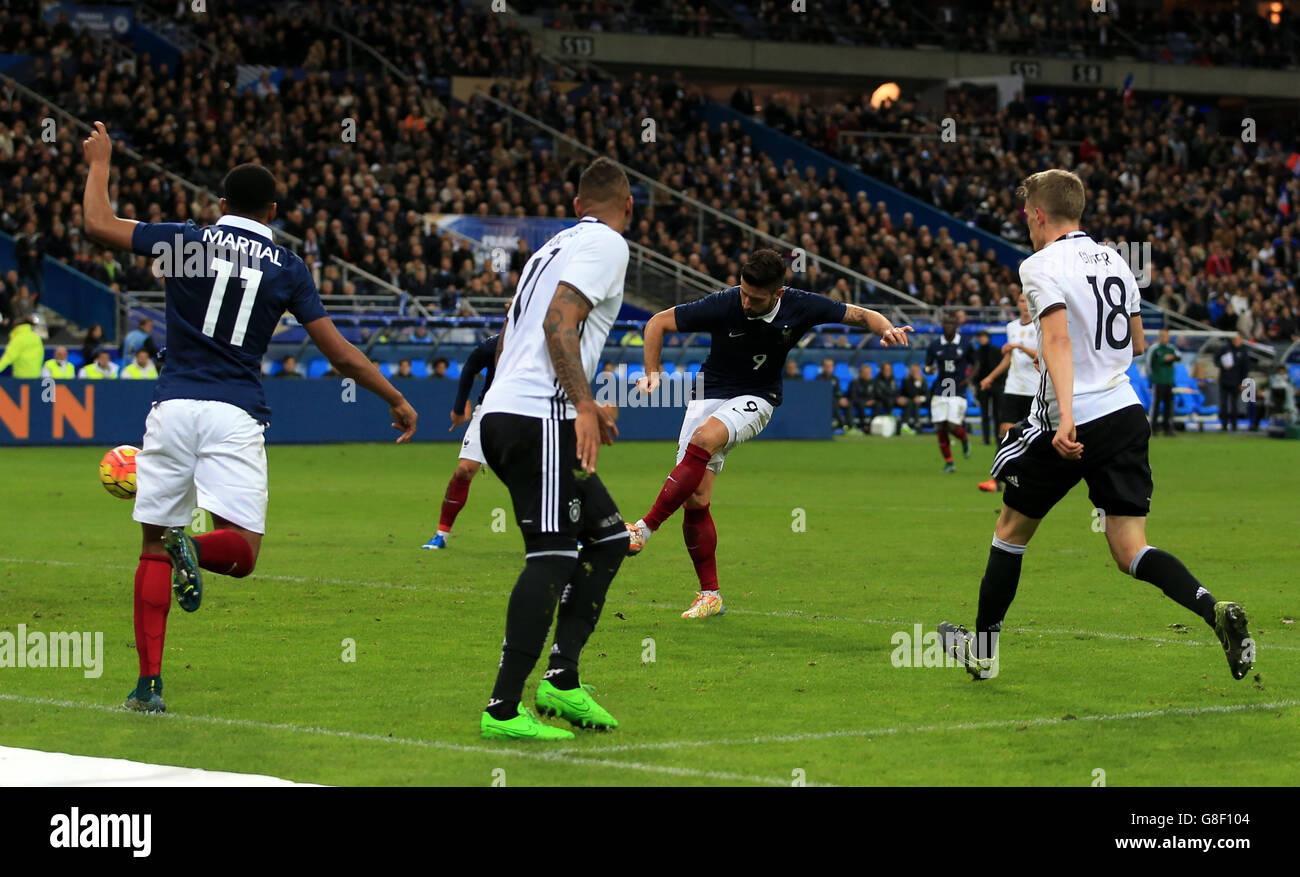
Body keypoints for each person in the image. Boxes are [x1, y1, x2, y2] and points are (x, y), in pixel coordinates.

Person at [81, 122, 417, 713]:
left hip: (174, 405)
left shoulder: (185, 241)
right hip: (236, 411)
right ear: (272, 211)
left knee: (151, 547)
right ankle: (196, 548)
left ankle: (148, 686)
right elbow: (339, 354)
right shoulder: (287, 267)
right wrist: (394, 397)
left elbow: (99, 225)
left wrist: (101, 163)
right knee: (242, 550)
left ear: (221, 206)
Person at [939, 169, 1251, 684]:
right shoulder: (1116, 261)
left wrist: (1063, 414)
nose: (1027, 226)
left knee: (1011, 532)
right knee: (1131, 548)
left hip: (1074, 418)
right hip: (1125, 411)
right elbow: (1138, 345)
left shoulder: (1039, 265)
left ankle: (984, 653)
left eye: (1027, 217)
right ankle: (1211, 608)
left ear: (1039, 215)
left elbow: (1057, 341)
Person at [626, 248, 912, 618]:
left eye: (754, 298)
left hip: (757, 397)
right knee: (695, 498)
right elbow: (657, 323)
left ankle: (643, 529)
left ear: (778, 293)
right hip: (708, 394)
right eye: (743, 292)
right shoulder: (725, 303)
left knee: (703, 439)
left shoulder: (802, 306)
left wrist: (885, 328)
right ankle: (710, 595)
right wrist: (652, 371)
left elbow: (860, 315)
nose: (745, 302)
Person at [476, 158, 632, 741]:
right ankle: (502, 709)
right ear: (628, 207)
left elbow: (513, 338)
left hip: (523, 411)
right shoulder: (608, 245)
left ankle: (562, 679)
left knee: (610, 537)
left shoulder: (551, 249)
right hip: (536, 414)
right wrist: (582, 404)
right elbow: (557, 324)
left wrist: (579, 405)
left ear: (574, 205)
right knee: (553, 556)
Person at [422, 333, 498, 550]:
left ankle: (567, 535)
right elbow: (470, 368)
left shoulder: (542, 341)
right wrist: (458, 409)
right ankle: (441, 534)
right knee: (464, 469)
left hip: (529, 411)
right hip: (489, 409)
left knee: (541, 474)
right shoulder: (496, 344)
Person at [976, 292, 1038, 491]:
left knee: (1033, 437)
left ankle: (1029, 478)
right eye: (1021, 301)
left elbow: (1042, 356)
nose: (1025, 305)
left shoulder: (1041, 326)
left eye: (1028, 301)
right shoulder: (1011, 327)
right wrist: (991, 377)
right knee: (1006, 433)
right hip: (1013, 388)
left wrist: (1020, 346)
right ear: (1017, 305)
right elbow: (1008, 359)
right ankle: (996, 480)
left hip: (1034, 390)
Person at [925, 313, 975, 473]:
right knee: (940, 426)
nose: (948, 326)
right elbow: (927, 366)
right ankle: (949, 462)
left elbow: (977, 363)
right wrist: (928, 369)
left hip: (957, 389)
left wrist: (969, 379)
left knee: (953, 427)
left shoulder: (965, 344)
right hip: (940, 389)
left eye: (951, 323)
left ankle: (964, 438)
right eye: (945, 323)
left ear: (956, 326)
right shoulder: (934, 345)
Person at [971, 329, 1003, 445]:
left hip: (996, 385)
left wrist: (997, 382)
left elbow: (1002, 369)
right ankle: (986, 439)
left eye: (984, 337)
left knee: (997, 414)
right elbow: (974, 370)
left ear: (988, 338)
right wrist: (977, 384)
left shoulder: (996, 351)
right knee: (984, 414)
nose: (982, 339)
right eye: (980, 337)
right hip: (982, 386)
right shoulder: (976, 353)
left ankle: (998, 439)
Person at [1147, 327, 1178, 436]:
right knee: (1156, 405)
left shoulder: (1172, 349)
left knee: (1169, 405)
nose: (1165, 338)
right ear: (1160, 337)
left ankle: (1167, 428)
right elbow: (1148, 365)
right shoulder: (1154, 349)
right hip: (1158, 380)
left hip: (1169, 381)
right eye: (1163, 336)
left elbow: (1179, 357)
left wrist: (1172, 357)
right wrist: (1153, 378)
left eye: (1166, 336)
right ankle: (1153, 428)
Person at [1216, 334, 1250, 431]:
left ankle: (1234, 426)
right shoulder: (1225, 349)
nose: (1236, 341)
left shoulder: (1244, 352)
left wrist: (1243, 383)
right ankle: (1224, 425)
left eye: (1238, 339)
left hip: (1236, 382)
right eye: (1235, 339)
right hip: (1224, 381)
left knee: (1234, 404)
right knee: (1223, 404)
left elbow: (1245, 369)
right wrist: (1222, 366)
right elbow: (1216, 359)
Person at [815, 358, 852, 433]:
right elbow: (817, 394)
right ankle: (842, 424)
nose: (829, 368)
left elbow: (838, 392)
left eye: (830, 366)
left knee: (848, 404)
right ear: (823, 367)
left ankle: (850, 426)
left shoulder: (835, 379)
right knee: (834, 403)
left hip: (835, 400)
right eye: (827, 366)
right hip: (823, 401)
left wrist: (841, 398)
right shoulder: (819, 379)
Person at [898, 363, 928, 434]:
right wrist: (917, 383)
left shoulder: (923, 380)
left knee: (918, 402)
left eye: (917, 371)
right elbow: (910, 394)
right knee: (911, 403)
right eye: (913, 371)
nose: (915, 372)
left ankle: (918, 425)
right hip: (908, 401)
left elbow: (927, 393)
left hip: (921, 402)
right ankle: (906, 426)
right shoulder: (906, 380)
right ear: (910, 371)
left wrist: (921, 398)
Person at [846, 364, 876, 430]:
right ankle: (862, 426)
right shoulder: (855, 382)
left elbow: (876, 394)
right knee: (860, 404)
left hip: (870, 402)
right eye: (865, 373)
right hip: (858, 402)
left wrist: (873, 400)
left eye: (868, 373)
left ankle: (872, 425)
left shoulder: (874, 383)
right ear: (860, 373)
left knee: (879, 404)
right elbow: (852, 396)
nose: (867, 374)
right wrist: (865, 402)